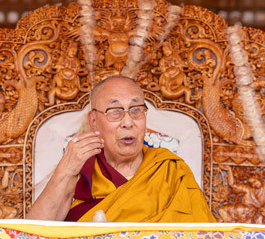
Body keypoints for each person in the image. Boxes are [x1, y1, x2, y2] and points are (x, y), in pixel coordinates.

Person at [28, 75, 216, 223]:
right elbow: (31, 238)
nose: (128, 122)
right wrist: (65, 169)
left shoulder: (170, 169)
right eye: (115, 112)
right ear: (93, 121)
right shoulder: (81, 171)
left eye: (136, 110)